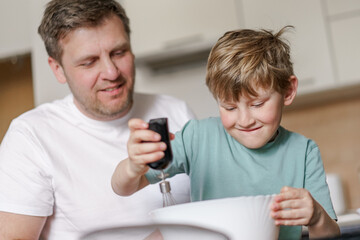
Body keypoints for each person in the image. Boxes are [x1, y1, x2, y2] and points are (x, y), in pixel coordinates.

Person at [111, 26, 340, 239]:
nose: (244, 120)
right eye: (229, 107)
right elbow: (122, 187)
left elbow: (330, 235)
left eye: (257, 104)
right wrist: (133, 166)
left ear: (288, 91)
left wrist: (317, 216)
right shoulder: (198, 138)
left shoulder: (304, 152)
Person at [0, 0, 195, 239]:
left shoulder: (176, 111)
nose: (112, 73)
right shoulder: (30, 137)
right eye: (89, 62)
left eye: (119, 52)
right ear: (58, 69)